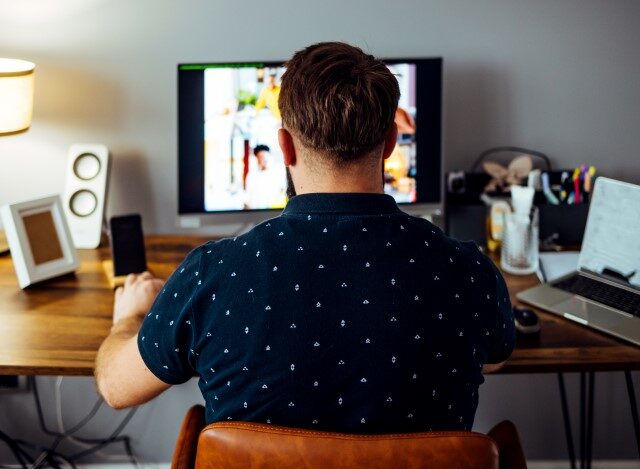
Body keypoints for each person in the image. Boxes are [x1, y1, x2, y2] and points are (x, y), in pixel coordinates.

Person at [96, 42, 515, 433]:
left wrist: (127, 318)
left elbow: (117, 388)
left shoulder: (213, 273)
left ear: (285, 146)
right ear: (389, 142)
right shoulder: (468, 271)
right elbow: (494, 357)